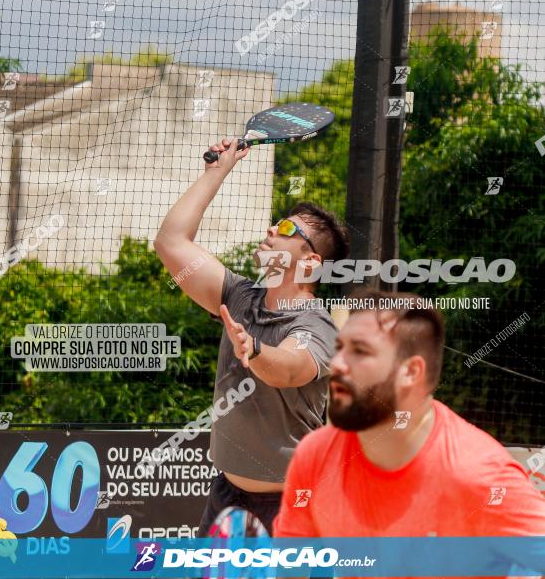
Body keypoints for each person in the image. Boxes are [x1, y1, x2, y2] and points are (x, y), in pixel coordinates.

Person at [153, 136, 350, 535]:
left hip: (292, 503)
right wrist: (217, 170)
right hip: (227, 494)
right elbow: (170, 242)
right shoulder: (240, 295)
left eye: (286, 227)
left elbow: (291, 369)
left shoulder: (317, 324)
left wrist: (256, 351)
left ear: (311, 261)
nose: (271, 228)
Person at [273, 290, 545, 569]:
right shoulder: (314, 455)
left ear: (411, 372)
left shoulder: (478, 474)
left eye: (360, 351)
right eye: (339, 347)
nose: (337, 363)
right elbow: (290, 567)